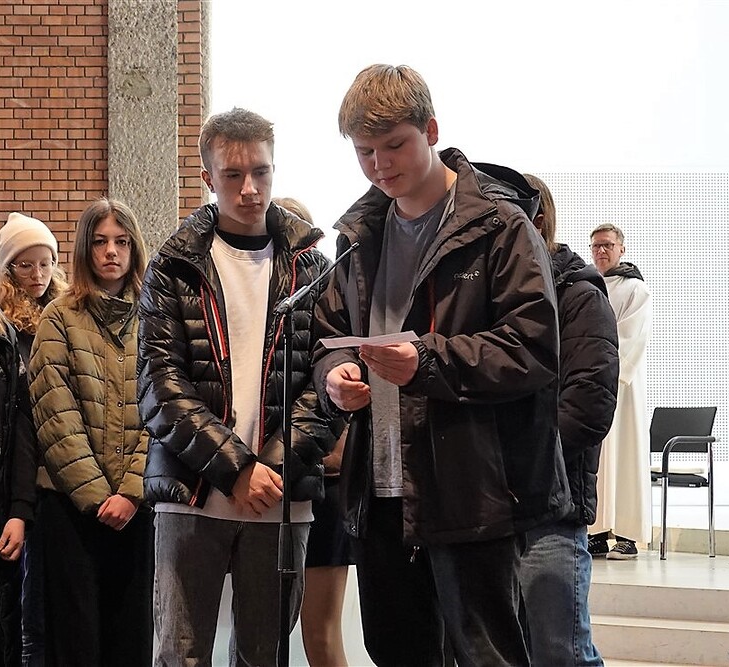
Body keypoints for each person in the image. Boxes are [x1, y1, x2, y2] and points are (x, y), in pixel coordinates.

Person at [313, 64, 570, 667]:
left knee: (485, 654)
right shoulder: (358, 236)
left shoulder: (501, 227)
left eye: (394, 145)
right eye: (364, 151)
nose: (380, 165)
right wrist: (336, 378)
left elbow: (533, 347)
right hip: (379, 490)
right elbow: (329, 334)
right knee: (396, 651)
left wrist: (425, 362)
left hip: (472, 492)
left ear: (431, 131)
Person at [137, 108, 335, 666]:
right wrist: (237, 468)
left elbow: (328, 384)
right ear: (208, 177)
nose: (250, 189)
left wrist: (271, 465)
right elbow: (160, 387)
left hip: (280, 495)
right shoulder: (172, 266)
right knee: (180, 655)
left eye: (261, 172)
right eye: (233, 174)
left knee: (263, 656)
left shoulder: (314, 267)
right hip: (191, 492)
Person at [28, 198, 153, 666]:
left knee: (132, 639)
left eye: (121, 241)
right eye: (100, 241)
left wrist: (131, 492)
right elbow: (55, 414)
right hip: (70, 507)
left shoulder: (155, 317)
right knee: (75, 642)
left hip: (137, 506)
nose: (111, 252)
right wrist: (100, 496)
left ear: (135, 249)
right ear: (85, 249)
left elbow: (163, 409)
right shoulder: (58, 317)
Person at [519, 175, 619, 666]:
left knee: (561, 652)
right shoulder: (494, 295)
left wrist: (517, 461)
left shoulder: (579, 294)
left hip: (551, 505)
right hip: (492, 508)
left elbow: (588, 404)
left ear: (537, 222)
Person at [272, 196, 354, 667]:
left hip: (324, 483)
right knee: (266, 628)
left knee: (320, 635)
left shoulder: (329, 302)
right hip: (274, 484)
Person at [0, 212, 68, 667]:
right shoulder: (5, 327)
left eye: (46, 264)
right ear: (8, 269)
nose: (38, 275)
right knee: (23, 604)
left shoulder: (65, 316)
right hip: (19, 475)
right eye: (25, 265)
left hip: (59, 473)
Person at [587, 222, 652, 559]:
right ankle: (597, 532)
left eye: (608, 245)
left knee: (624, 458)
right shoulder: (587, 285)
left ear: (621, 249)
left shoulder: (634, 289)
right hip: (591, 383)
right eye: (596, 245)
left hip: (620, 387)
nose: (601, 251)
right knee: (597, 462)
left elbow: (631, 336)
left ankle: (628, 536)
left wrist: (606, 370)